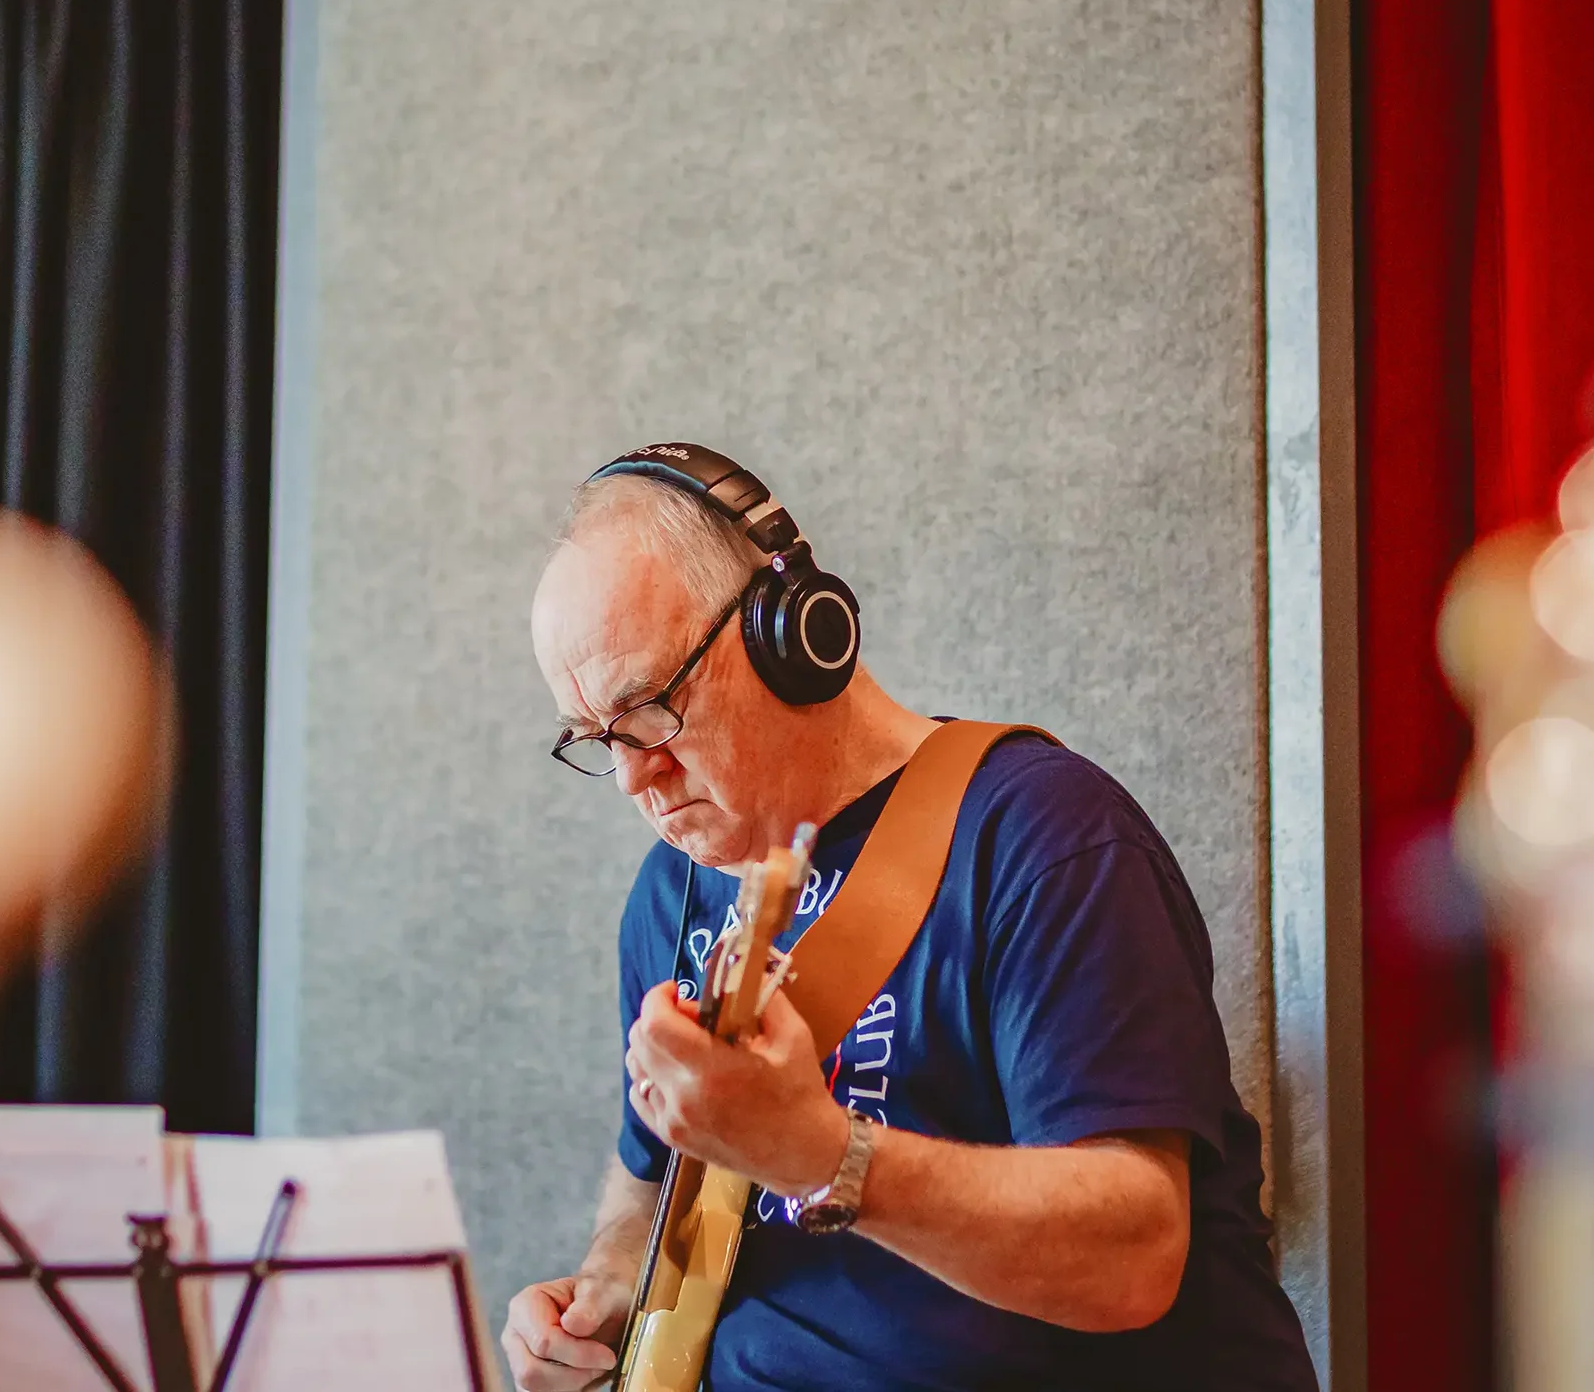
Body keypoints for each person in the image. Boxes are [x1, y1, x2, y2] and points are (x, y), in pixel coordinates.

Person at [503, 444, 1316, 1391]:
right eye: (596, 738)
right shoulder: (671, 891)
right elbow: (649, 1184)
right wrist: (604, 1289)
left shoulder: (1042, 835)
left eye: (649, 709)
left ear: (790, 634)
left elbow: (1134, 1254)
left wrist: (820, 1154)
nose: (632, 776)